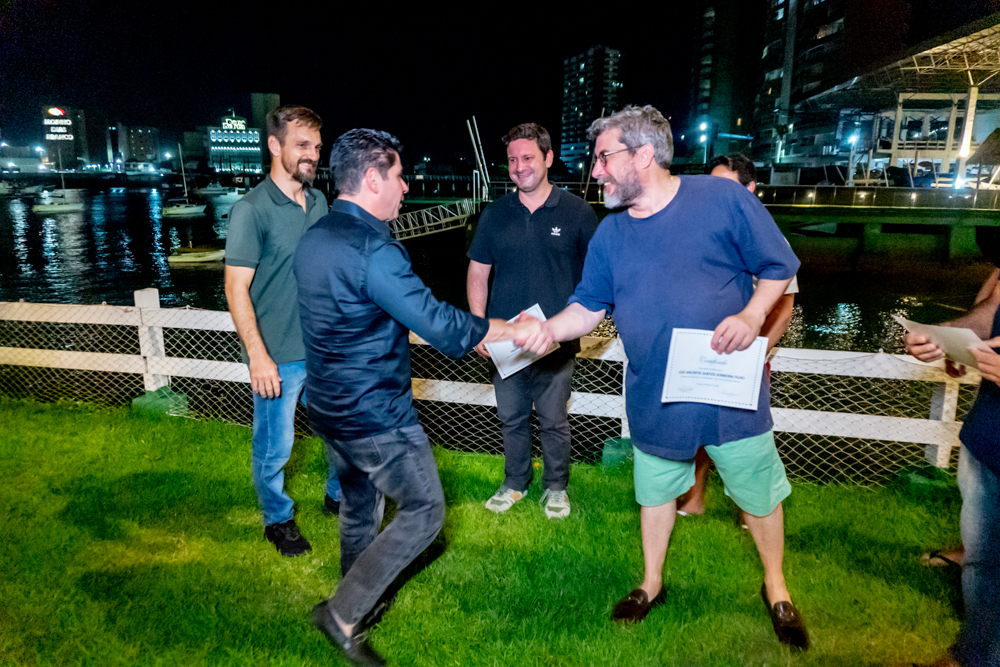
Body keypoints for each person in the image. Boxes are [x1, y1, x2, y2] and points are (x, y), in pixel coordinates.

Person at [518, 105, 809, 649]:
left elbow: (779, 266)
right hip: (654, 392)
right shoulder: (610, 234)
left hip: (729, 388)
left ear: (644, 155)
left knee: (759, 492)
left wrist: (752, 316)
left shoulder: (722, 199)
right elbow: (588, 306)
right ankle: (651, 582)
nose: (595, 171)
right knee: (655, 493)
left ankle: (777, 587)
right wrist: (548, 329)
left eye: (604, 158)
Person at [298, 129, 541, 666]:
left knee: (359, 504)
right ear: (371, 179)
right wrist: (512, 328)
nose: (406, 187)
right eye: (399, 176)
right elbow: (441, 325)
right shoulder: (375, 250)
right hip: (375, 414)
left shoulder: (316, 236)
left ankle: (357, 602)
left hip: (327, 406)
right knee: (426, 510)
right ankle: (342, 614)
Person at [224, 105, 342, 558]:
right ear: (274, 145)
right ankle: (277, 520)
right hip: (277, 355)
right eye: (302, 145)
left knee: (341, 432)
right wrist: (258, 355)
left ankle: (338, 497)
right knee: (275, 447)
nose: (312, 154)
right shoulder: (251, 210)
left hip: (323, 350)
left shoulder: (320, 202)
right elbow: (236, 288)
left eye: (317, 146)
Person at [467, 122, 599, 519]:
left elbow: (595, 281)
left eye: (528, 157)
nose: (519, 166)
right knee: (511, 418)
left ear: (548, 158)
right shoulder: (495, 213)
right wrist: (478, 323)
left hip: (555, 341)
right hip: (504, 340)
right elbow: (477, 272)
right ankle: (515, 482)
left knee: (554, 420)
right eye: (512, 160)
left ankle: (556, 487)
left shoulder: (578, 212)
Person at [676, 155, 799, 518]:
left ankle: (753, 512)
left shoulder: (768, 238)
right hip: (707, 353)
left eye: (726, 187)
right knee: (700, 430)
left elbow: (785, 308)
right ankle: (695, 500)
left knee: (747, 439)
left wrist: (757, 354)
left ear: (750, 189)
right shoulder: (701, 233)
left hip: (748, 356)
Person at [904, 280, 1000, 667]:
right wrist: (947, 337)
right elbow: (993, 309)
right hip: (988, 438)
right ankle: (971, 657)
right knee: (983, 564)